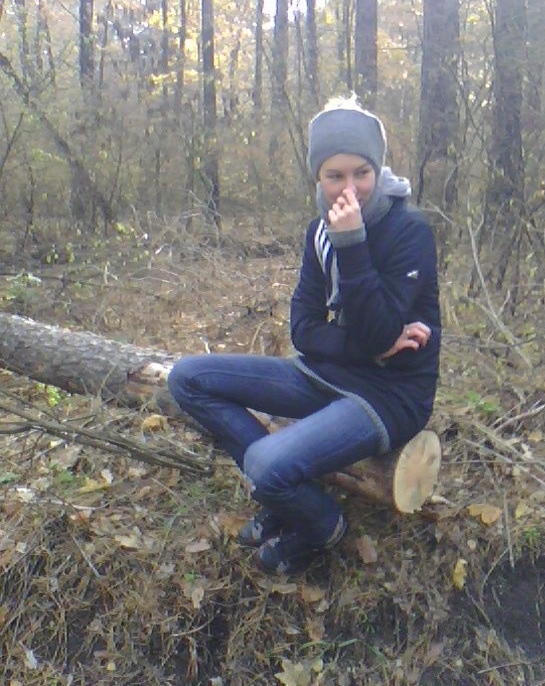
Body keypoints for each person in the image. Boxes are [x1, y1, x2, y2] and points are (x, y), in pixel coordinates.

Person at [167, 97, 441, 575]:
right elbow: (305, 328)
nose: (349, 189)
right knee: (187, 378)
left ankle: (321, 525)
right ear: (318, 177)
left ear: (378, 169)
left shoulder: (408, 232)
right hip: (325, 373)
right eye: (335, 175)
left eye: (362, 173)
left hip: (389, 396)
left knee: (265, 464)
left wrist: (351, 243)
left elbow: (376, 328)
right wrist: (370, 347)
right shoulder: (318, 232)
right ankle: (289, 498)